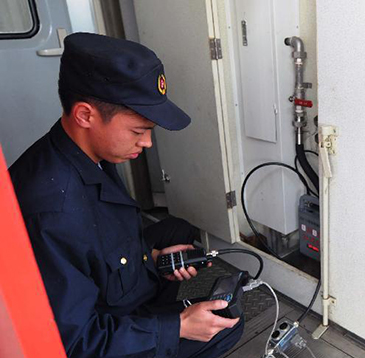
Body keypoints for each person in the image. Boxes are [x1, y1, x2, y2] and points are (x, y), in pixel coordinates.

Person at [9, 32, 243, 358]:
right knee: (227, 324)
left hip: (103, 282)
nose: (147, 143)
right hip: (100, 331)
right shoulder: (53, 211)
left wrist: (153, 258)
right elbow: (76, 342)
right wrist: (177, 327)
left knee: (178, 231)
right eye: (138, 131)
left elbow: (104, 236)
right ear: (85, 115)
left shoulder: (85, 150)